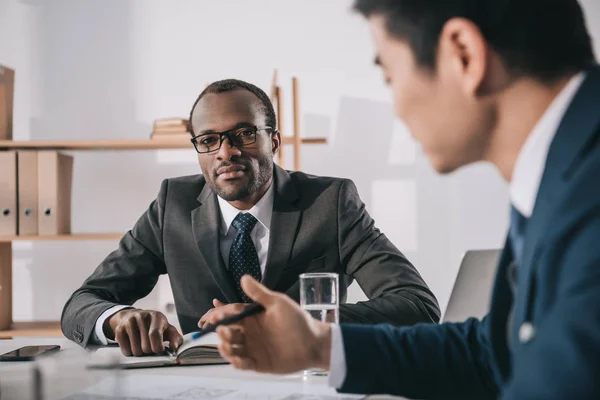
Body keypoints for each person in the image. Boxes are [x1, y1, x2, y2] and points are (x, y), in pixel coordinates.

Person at [214, 0, 600, 398]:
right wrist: (319, 346)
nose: (396, 108)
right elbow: (495, 355)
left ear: (463, 54)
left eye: (390, 77)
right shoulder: (560, 176)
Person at [60, 79, 440, 357]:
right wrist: (119, 318)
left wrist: (286, 319)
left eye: (243, 134)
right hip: (200, 387)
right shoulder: (172, 205)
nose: (226, 152)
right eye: (208, 140)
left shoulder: (331, 202)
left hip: (304, 381)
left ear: (272, 142)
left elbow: (416, 305)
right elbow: (82, 302)